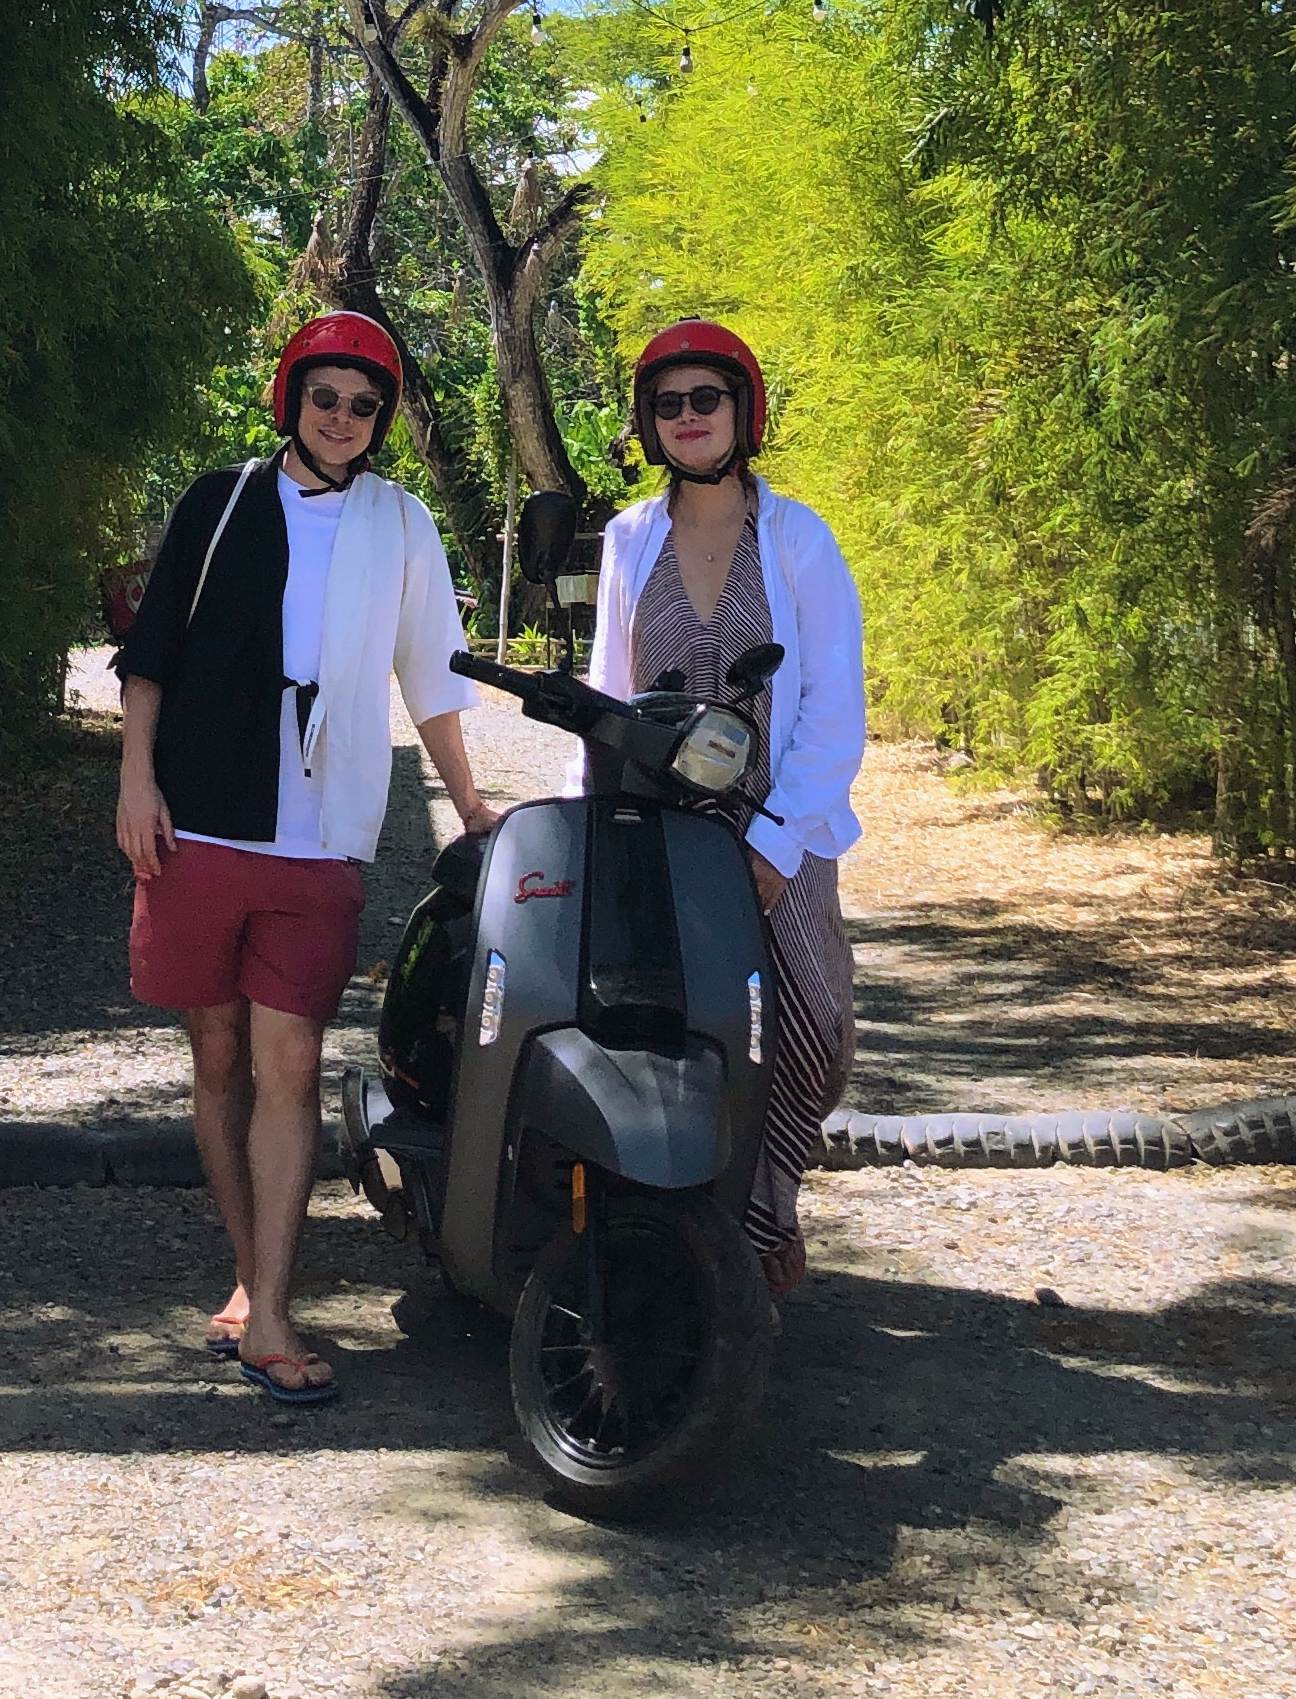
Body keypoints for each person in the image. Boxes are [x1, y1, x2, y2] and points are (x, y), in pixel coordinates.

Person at [114, 311, 499, 1405]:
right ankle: (251, 1278)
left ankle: (271, 1311)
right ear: (293, 398)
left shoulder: (401, 521)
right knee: (219, 1063)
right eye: (325, 398)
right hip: (199, 821)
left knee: (288, 1066)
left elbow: (432, 673)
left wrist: (470, 802)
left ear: (382, 421)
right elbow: (151, 655)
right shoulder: (221, 497)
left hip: (320, 833)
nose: (342, 418)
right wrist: (135, 782)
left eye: (363, 405)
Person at [578, 316, 865, 1301]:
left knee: (810, 1032)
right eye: (669, 404)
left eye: (707, 398)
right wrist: (599, 832)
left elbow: (834, 702)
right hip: (658, 833)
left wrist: (782, 839)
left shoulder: (798, 538)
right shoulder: (626, 539)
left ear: (745, 412)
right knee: (676, 1035)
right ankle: (687, 1251)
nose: (688, 417)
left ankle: (765, 1212)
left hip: (774, 832)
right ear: (649, 425)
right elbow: (608, 699)